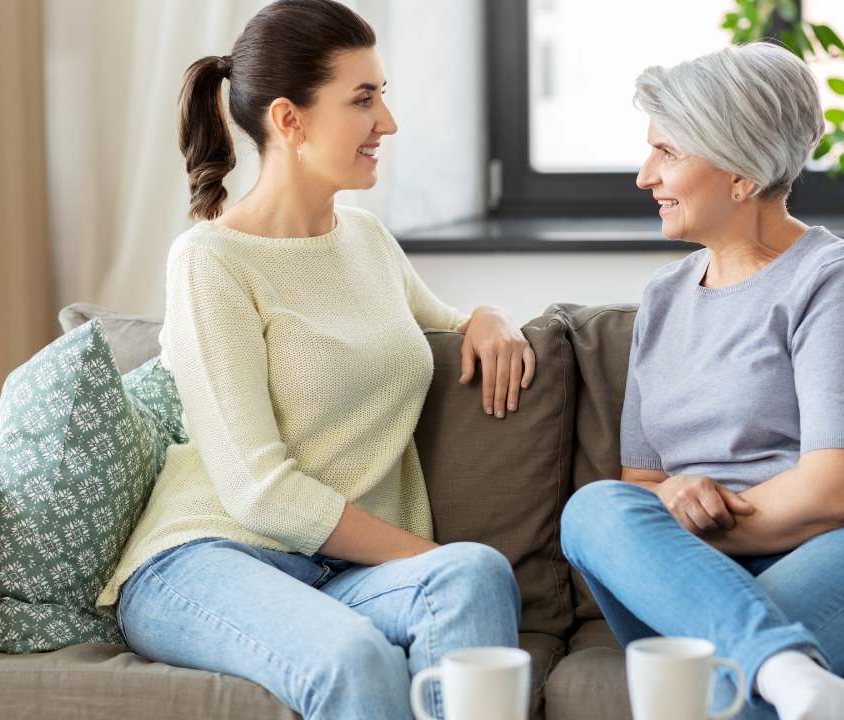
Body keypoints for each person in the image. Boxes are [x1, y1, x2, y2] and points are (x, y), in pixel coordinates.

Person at [94, 2, 533, 718]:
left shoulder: (364, 239)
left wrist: (491, 318)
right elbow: (259, 492)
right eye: (363, 99)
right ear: (289, 120)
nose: (386, 122)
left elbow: (447, 325)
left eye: (382, 95)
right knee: (351, 654)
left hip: (339, 573)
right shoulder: (211, 262)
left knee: (476, 573)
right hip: (210, 559)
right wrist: (416, 554)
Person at [560, 42, 844, 720]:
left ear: (742, 174)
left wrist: (688, 536)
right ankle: (784, 667)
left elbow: (837, 489)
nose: (643, 176)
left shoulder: (831, 277)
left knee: (716, 682)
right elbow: (640, 492)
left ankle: (768, 663)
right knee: (590, 509)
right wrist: (677, 496)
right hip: (701, 573)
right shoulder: (662, 299)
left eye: (668, 153)